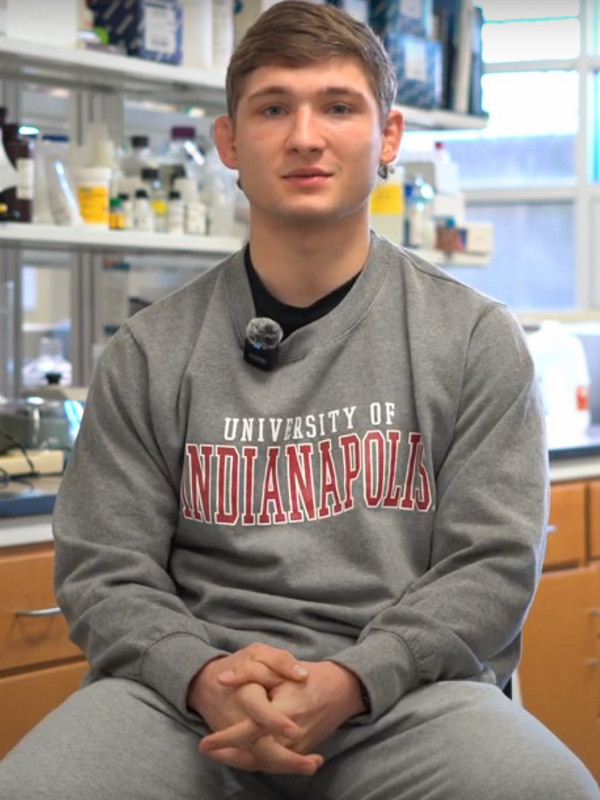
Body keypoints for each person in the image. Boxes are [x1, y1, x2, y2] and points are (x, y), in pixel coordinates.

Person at [1, 2, 598, 798]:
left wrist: (354, 678)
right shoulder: (149, 353)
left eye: (339, 106)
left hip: (402, 702)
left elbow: (487, 568)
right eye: (274, 107)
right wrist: (204, 674)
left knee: (550, 789)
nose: (306, 136)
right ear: (230, 144)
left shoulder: (472, 339)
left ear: (388, 140)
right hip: (184, 701)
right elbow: (106, 571)